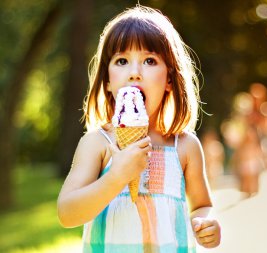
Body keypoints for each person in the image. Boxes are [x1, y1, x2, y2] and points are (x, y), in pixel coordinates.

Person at [57, 6, 221, 252]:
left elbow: (201, 205)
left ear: (168, 79)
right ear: (108, 80)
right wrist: (116, 177)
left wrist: (206, 223)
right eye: (122, 61)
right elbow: (67, 213)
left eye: (149, 61)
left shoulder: (185, 146)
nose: (134, 73)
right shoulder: (98, 144)